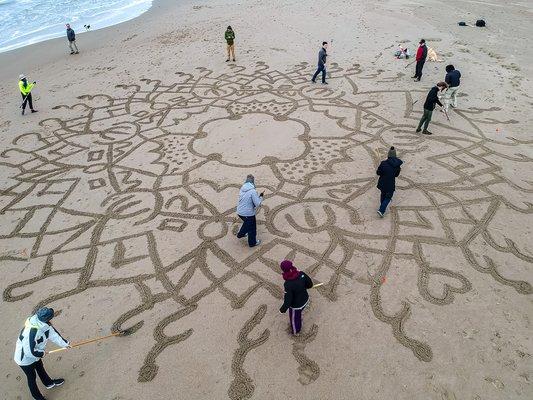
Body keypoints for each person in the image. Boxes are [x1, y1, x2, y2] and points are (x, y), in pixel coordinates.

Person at [14, 307, 70, 400]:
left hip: (35, 354)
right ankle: (38, 397)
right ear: (46, 319)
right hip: (24, 359)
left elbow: (54, 335)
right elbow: (29, 352)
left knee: (40, 368)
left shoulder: (45, 325)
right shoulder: (32, 331)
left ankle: (49, 383)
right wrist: (42, 353)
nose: (52, 319)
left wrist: (66, 344)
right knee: (32, 377)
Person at [278, 260, 314, 335]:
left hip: (296, 305)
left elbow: (288, 300)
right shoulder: (301, 273)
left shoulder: (288, 284)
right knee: (301, 310)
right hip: (305, 299)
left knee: (294, 319)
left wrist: (282, 309)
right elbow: (310, 284)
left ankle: (295, 331)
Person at [236, 174, 263, 247]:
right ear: (253, 182)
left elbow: (246, 199)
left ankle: (241, 234)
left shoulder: (242, 189)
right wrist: (260, 197)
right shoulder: (253, 191)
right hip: (248, 213)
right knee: (252, 228)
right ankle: (252, 243)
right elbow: (258, 204)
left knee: (247, 224)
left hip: (239, 212)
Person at [376, 146, 403, 217]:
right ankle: (381, 210)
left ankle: (382, 208)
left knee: (383, 194)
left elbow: (378, 173)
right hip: (390, 184)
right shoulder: (397, 166)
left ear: (388, 155)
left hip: (382, 183)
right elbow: (396, 175)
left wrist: (382, 170)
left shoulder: (383, 163)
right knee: (388, 197)